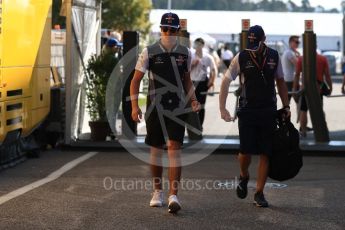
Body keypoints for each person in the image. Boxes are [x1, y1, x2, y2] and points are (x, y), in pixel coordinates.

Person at [130, 12, 200, 214]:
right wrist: (135, 106)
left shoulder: (185, 52)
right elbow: (135, 81)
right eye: (165, 28)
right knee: (156, 148)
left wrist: (193, 99)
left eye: (172, 29)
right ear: (160, 29)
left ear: (178, 31)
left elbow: (186, 79)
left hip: (178, 106)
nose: (168, 32)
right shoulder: (149, 51)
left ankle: (173, 196)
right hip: (155, 106)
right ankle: (157, 192)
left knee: (174, 148)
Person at [219, 25, 290, 208]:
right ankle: (244, 175)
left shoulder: (274, 56)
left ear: (264, 39)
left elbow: (281, 82)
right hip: (247, 110)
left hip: (268, 110)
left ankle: (259, 193)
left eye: (256, 42)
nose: (253, 46)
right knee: (245, 152)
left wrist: (286, 105)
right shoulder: (241, 56)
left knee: (266, 152)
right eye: (250, 42)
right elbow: (226, 81)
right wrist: (223, 108)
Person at [293, 53, 332, 137]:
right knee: (319, 110)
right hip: (318, 89)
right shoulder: (322, 58)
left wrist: (294, 89)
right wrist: (330, 87)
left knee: (303, 110)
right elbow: (327, 75)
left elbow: (296, 75)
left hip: (305, 88)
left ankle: (303, 131)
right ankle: (320, 129)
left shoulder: (301, 58)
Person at [190, 38, 216, 130]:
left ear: (203, 45)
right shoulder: (190, 56)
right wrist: (193, 64)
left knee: (201, 105)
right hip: (191, 83)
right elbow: (185, 71)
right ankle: (192, 126)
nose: (198, 46)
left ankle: (199, 126)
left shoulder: (207, 57)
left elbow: (213, 70)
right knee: (192, 105)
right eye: (196, 44)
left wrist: (211, 81)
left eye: (200, 44)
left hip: (202, 83)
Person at [282, 35, 300, 102]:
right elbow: (298, 65)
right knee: (299, 102)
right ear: (290, 42)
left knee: (287, 102)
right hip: (290, 80)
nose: (298, 43)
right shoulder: (289, 53)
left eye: (298, 42)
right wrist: (299, 55)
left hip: (288, 79)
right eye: (296, 42)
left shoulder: (289, 52)